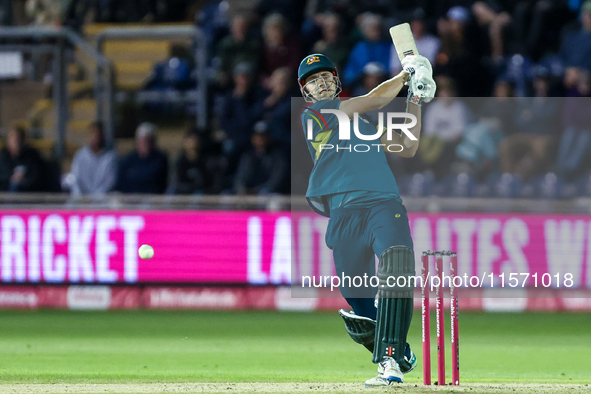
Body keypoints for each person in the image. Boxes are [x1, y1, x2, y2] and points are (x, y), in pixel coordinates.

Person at [298, 53, 436, 385]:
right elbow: (375, 98)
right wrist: (406, 76)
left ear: (336, 80)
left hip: (383, 203)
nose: (322, 83)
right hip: (344, 213)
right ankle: (399, 349)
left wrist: (415, 100)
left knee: (397, 268)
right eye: (313, 81)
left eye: (326, 77)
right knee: (356, 295)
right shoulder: (318, 114)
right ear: (307, 92)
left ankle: (388, 362)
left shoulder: (361, 123)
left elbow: (407, 146)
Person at [234, 121, 287, 195]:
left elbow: (275, 181)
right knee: (226, 196)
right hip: (247, 193)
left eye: (263, 135)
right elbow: (240, 177)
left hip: (266, 193)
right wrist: (242, 189)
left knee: (275, 200)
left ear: (269, 137)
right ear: (253, 137)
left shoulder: (277, 157)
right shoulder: (247, 156)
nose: (260, 139)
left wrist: (256, 191)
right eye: (257, 135)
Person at [116, 122, 168, 194]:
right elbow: (121, 182)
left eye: (149, 140)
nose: (146, 144)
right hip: (130, 200)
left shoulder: (160, 159)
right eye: (143, 140)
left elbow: (156, 182)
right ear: (137, 141)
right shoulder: (128, 160)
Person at [69, 122, 117, 195]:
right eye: (92, 134)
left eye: (98, 134)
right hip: (81, 200)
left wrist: (94, 199)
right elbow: (75, 179)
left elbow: (109, 183)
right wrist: (80, 198)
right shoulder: (80, 155)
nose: (95, 137)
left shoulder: (110, 156)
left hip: (103, 200)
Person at [0, 126, 46, 192]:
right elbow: (2, 176)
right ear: (8, 140)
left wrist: (24, 180)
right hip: (7, 191)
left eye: (18, 139)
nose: (16, 142)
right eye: (13, 139)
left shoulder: (32, 155)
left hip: (29, 190)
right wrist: (12, 178)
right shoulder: (3, 156)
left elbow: (37, 174)